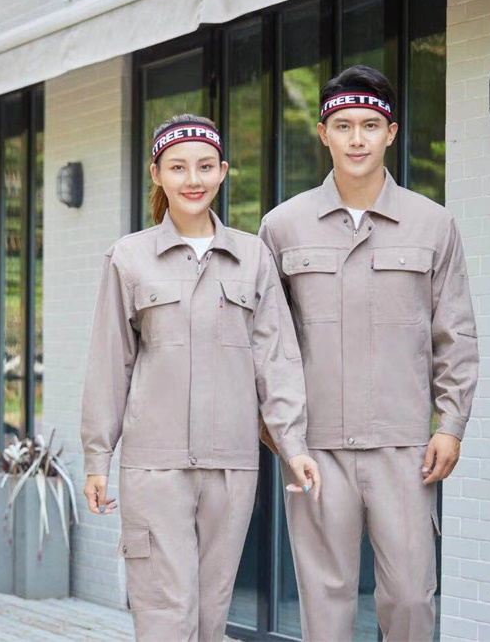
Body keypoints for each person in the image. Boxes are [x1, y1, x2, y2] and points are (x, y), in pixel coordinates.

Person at [80, 114, 321, 642]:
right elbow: (109, 365)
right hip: (154, 467)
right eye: (178, 167)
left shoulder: (253, 257)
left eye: (205, 166)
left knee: (211, 617)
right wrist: (98, 457)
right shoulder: (129, 258)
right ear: (157, 174)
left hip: (231, 466)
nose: (193, 179)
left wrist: (293, 444)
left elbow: (276, 358)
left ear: (223, 172)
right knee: (166, 617)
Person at [259, 66, 479, 641]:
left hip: (404, 448)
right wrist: (279, 432)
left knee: (409, 597)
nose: (357, 138)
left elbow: (455, 333)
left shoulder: (434, 224)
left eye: (370, 125)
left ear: (391, 132)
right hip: (316, 448)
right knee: (325, 602)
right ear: (323, 133)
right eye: (343, 125)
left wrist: (451, 424)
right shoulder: (282, 227)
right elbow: (266, 342)